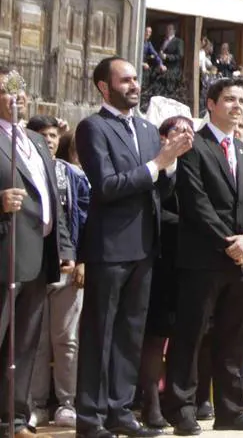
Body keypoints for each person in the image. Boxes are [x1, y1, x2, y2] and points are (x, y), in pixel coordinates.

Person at [72, 57, 186, 438]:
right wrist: (158, 164)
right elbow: (105, 186)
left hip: (144, 246)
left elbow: (161, 191)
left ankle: (120, 411)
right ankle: (90, 417)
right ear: (105, 87)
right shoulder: (93, 128)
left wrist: (168, 169)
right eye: (125, 80)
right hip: (108, 247)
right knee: (99, 334)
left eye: (137, 79)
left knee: (130, 335)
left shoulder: (148, 130)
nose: (135, 85)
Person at [164, 77, 243, 435]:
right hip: (204, 258)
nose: (236, 106)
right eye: (228, 99)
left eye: (241, 100)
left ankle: (231, 409)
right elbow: (195, 203)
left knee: (234, 337)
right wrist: (229, 241)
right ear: (210, 103)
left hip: (241, 260)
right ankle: (182, 410)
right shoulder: (194, 146)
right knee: (191, 335)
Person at [0, 66, 75, 438]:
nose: (18, 96)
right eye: (7, 90)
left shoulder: (32, 139)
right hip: (5, 254)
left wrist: (63, 245)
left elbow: (53, 200)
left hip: (38, 256)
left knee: (25, 344)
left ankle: (13, 417)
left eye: (21, 89)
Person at [135, 116, 193, 431]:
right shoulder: (153, 165)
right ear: (162, 137)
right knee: (155, 338)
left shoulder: (198, 165)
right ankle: (150, 403)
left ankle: (181, 401)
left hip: (192, 261)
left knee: (187, 337)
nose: (184, 136)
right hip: (160, 259)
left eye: (189, 131)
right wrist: (189, 225)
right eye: (177, 131)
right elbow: (154, 209)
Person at [30, 115, 87, 430]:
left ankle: (67, 402)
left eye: (53, 135)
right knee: (36, 341)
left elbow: (86, 216)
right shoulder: (21, 170)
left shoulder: (72, 175)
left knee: (67, 339)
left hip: (67, 268)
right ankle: (35, 403)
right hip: (32, 269)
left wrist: (82, 260)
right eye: (42, 134)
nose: (48, 140)